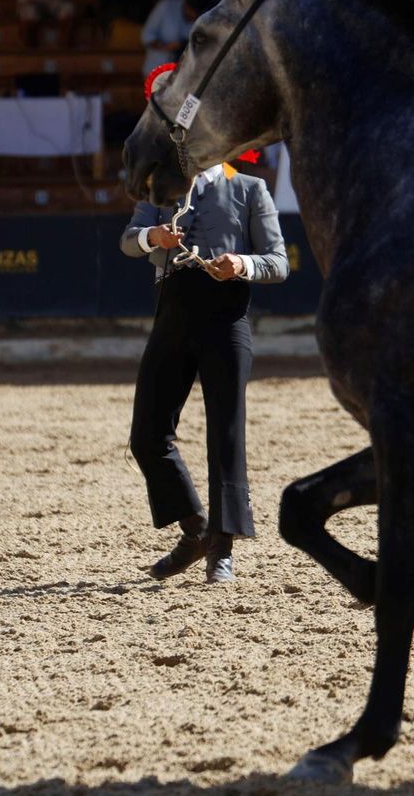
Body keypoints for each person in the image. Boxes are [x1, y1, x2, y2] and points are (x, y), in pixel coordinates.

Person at [120, 161, 289, 583]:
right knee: (147, 435)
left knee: (226, 436)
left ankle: (221, 547)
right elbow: (128, 241)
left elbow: (279, 261)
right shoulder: (156, 184)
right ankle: (195, 529)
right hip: (172, 313)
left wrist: (242, 264)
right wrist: (151, 237)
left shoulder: (249, 188)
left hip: (226, 317)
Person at [140, 0, 211, 76]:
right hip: (157, 67)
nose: (194, 15)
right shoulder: (166, 6)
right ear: (186, 4)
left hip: (188, 73)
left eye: (198, 12)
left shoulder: (206, 18)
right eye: (192, 10)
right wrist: (166, 46)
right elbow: (147, 34)